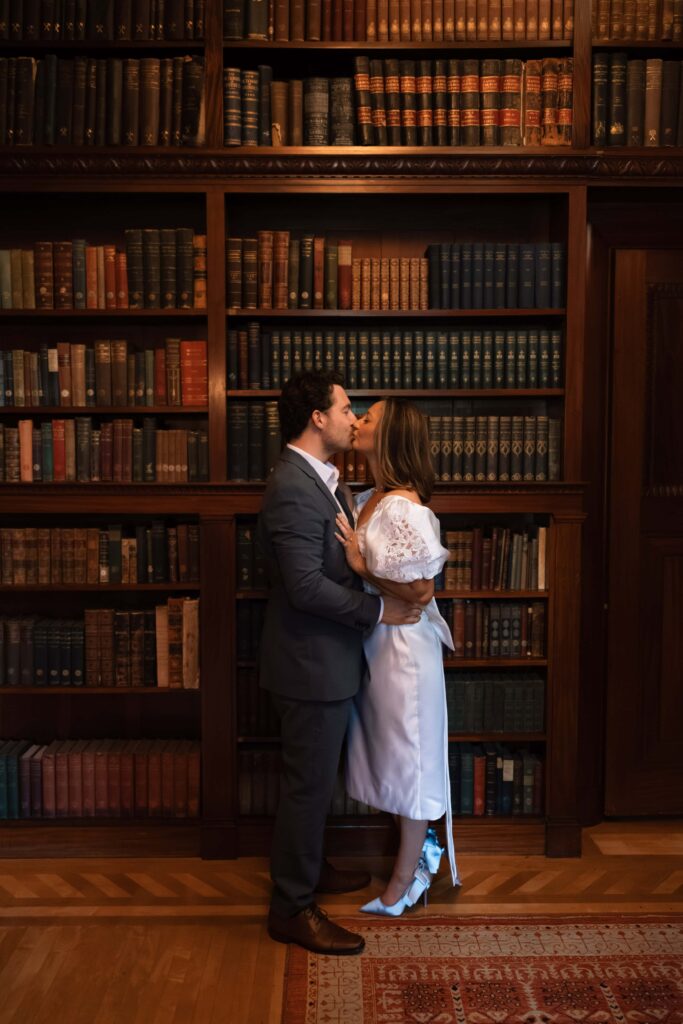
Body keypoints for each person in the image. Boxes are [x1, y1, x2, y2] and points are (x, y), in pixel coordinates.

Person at [257, 371, 424, 956]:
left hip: (321, 662)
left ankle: (310, 870)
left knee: (315, 783)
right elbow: (304, 587)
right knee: (307, 788)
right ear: (317, 419)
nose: (354, 418)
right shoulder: (294, 487)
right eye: (346, 408)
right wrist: (378, 610)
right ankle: (292, 907)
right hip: (308, 666)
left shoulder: (319, 480)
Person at [334, 397, 460, 916]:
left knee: (408, 761)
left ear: (389, 437)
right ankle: (420, 853)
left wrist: (362, 566)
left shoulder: (403, 507)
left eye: (369, 418)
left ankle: (407, 880)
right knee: (390, 756)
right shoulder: (370, 496)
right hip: (379, 644)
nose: (358, 421)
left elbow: (423, 590)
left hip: (405, 652)